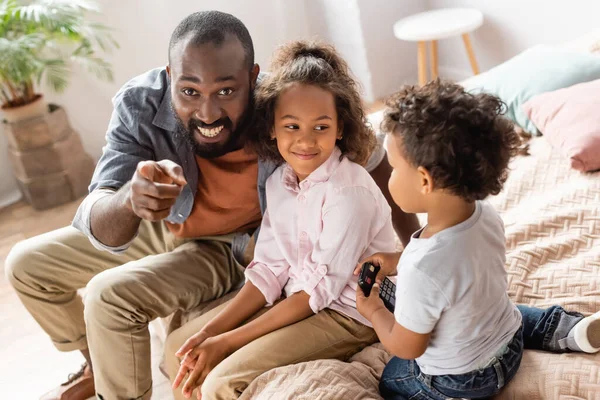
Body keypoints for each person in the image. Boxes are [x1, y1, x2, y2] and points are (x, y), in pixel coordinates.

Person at [4, 11, 419, 400]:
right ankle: (96, 360)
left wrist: (414, 252)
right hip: (163, 218)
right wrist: (133, 198)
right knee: (25, 263)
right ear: (170, 78)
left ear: (252, 81)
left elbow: (374, 155)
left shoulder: (286, 108)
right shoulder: (143, 106)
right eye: (188, 91)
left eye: (225, 91)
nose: (207, 111)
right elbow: (100, 205)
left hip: (230, 246)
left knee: (109, 297)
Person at [164, 40, 397, 400]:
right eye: (291, 126)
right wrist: (209, 332)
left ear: (340, 128)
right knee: (180, 346)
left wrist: (226, 342)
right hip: (299, 298)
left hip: (348, 313)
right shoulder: (279, 183)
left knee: (221, 381)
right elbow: (270, 269)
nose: (305, 141)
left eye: (321, 127)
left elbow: (315, 294)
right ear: (272, 127)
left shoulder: (348, 194)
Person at [355, 80, 600, 400]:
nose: (389, 177)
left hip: (463, 380)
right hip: (508, 343)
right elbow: (454, 264)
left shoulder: (422, 268)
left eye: (394, 167)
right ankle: (569, 329)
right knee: (519, 314)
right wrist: (395, 260)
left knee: (392, 379)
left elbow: (408, 345)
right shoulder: (483, 214)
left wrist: (373, 310)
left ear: (424, 180)